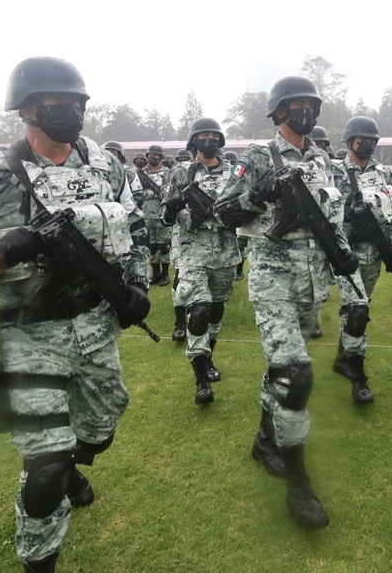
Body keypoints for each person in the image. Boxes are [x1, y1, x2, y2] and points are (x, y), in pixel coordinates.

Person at [0, 56, 150, 573]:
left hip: (96, 328)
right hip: (29, 332)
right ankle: (40, 556)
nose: (71, 111)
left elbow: (135, 228)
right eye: (59, 103)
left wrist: (137, 282)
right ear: (28, 109)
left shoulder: (106, 166)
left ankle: (73, 462)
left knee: (100, 428)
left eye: (77, 103)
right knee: (45, 467)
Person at [215, 75, 358, 530]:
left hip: (313, 282)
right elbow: (224, 212)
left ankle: (264, 439)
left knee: (281, 368)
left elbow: (333, 216)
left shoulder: (325, 161)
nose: (304, 111)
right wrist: (260, 192)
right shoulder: (257, 157)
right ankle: (299, 483)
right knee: (295, 375)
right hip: (273, 277)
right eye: (294, 104)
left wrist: (344, 254)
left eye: (310, 104)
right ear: (278, 112)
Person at [162, 117, 241, 405]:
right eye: (202, 136)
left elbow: (243, 211)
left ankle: (208, 357)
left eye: (213, 136)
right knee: (199, 312)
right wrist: (172, 210)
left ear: (219, 141)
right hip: (191, 251)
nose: (208, 140)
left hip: (225, 252)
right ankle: (201, 379)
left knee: (216, 312)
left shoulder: (234, 173)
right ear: (193, 141)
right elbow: (165, 217)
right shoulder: (181, 173)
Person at [328, 115, 392, 404]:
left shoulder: (383, 173)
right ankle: (358, 375)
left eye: (372, 140)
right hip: (344, 251)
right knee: (357, 310)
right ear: (349, 141)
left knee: (359, 309)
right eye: (362, 139)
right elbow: (325, 213)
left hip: (374, 252)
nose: (368, 144)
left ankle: (343, 357)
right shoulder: (333, 171)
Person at [138, 144, 171, 286]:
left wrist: (154, 190)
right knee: (151, 246)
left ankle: (165, 274)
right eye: (150, 154)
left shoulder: (168, 173)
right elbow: (137, 193)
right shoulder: (141, 174)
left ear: (161, 157)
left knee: (163, 246)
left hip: (162, 213)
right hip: (146, 214)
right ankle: (156, 273)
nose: (152, 157)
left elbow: (168, 193)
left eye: (155, 154)